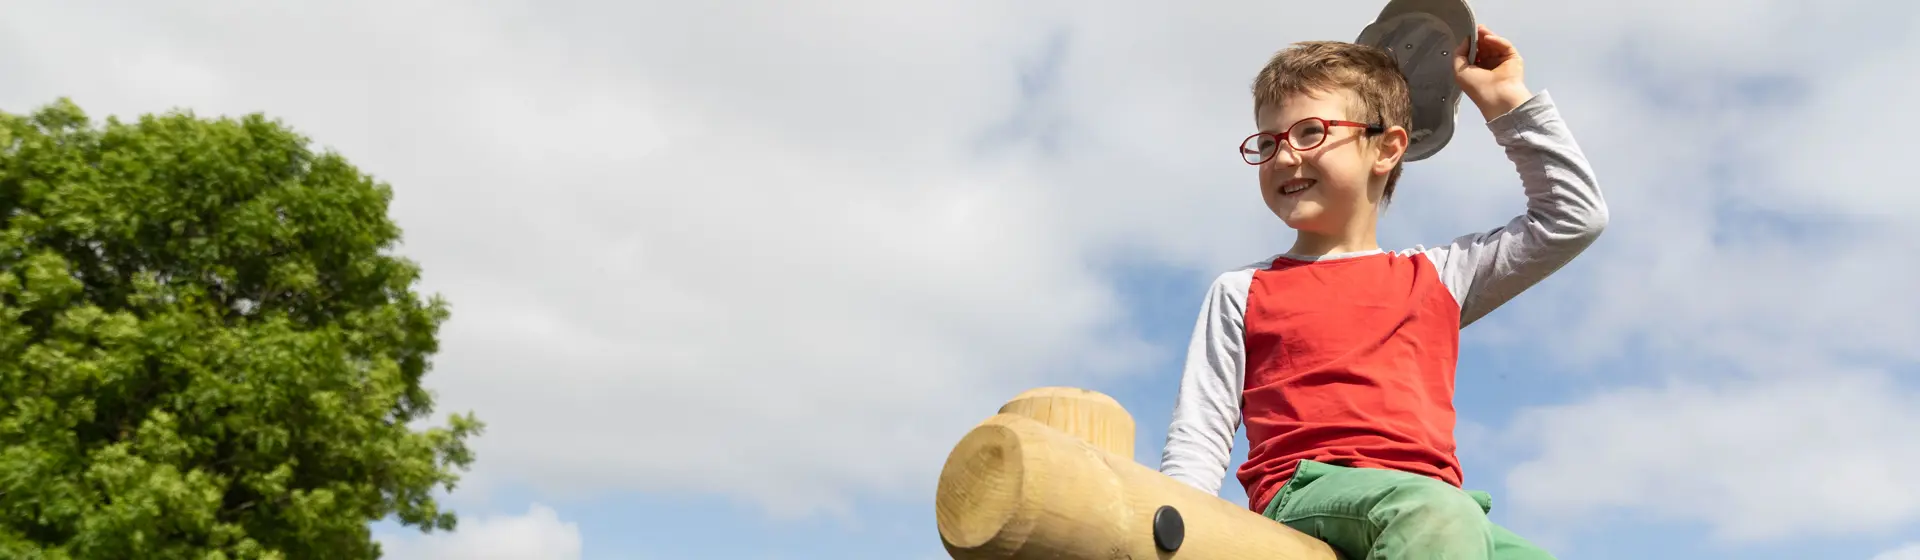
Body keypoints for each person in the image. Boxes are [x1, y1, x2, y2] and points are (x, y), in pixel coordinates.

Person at [1157, 25, 1607, 559]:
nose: (1283, 157)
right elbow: (1200, 434)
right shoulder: (1244, 290)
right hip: (1306, 494)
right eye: (1269, 141)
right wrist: (1177, 531)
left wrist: (1507, 102)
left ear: (1388, 148)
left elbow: (1572, 219)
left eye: (1309, 133)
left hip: (1433, 506)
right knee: (1433, 511)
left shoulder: (1438, 275)